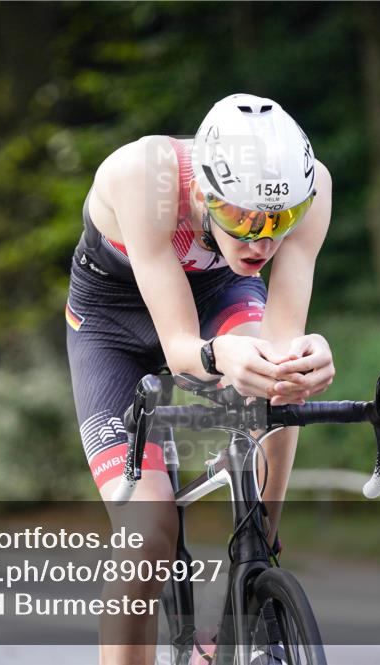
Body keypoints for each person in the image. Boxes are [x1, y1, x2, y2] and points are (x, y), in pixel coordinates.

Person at [65, 93, 334, 663]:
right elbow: (183, 347)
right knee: (148, 535)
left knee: (278, 375)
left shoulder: (316, 190)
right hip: (113, 325)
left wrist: (303, 360)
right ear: (202, 194)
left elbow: (284, 336)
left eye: (279, 223)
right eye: (241, 220)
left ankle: (257, 551)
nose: (262, 242)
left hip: (218, 299)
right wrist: (222, 358)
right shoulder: (145, 175)